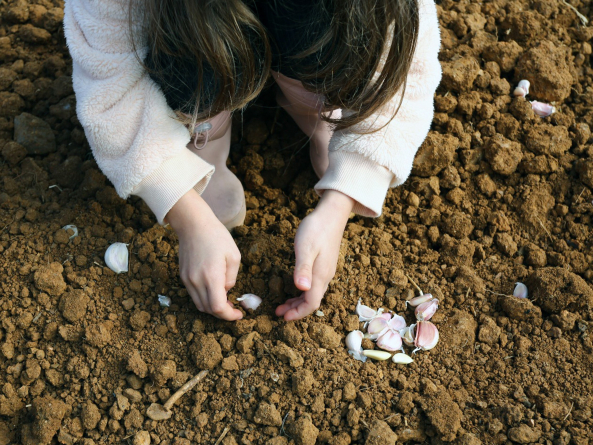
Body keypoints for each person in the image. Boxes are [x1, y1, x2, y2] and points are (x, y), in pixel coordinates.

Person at [64, 0, 442, 321]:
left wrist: (341, 201)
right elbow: (110, 85)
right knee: (193, 38)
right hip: (195, 22)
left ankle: (311, 98)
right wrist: (185, 211)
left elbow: (408, 65)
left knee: (331, 34)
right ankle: (205, 120)